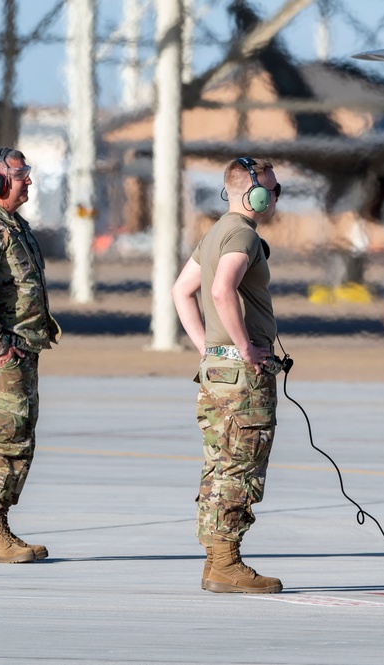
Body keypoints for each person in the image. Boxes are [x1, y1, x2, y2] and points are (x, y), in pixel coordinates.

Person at [172, 157, 286, 594]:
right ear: (254, 194)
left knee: (221, 464)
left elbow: (182, 291)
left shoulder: (216, 231)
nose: (275, 198)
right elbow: (220, 289)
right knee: (240, 466)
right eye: (273, 190)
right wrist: (243, 346)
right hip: (241, 373)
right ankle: (225, 563)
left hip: (217, 370)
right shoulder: (241, 234)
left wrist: (207, 348)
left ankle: (216, 561)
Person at [0, 147, 60, 563]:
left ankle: (1, 527)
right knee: (1, 441)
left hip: (22, 352)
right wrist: (0, 349)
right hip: (1, 360)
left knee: (19, 441)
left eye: (28, 173)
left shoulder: (15, 226)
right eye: (21, 175)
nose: (29, 181)